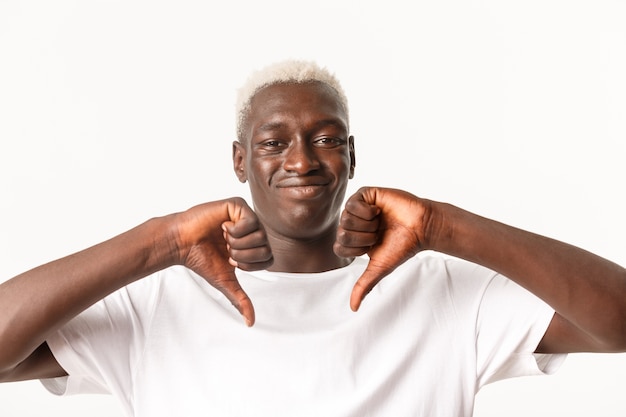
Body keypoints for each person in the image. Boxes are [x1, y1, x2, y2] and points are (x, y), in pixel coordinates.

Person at [0, 59, 625, 417]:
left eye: (326, 138)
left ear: (351, 156)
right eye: (274, 142)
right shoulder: (160, 300)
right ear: (240, 161)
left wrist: (442, 226)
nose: (301, 160)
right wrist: (160, 240)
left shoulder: (441, 293)